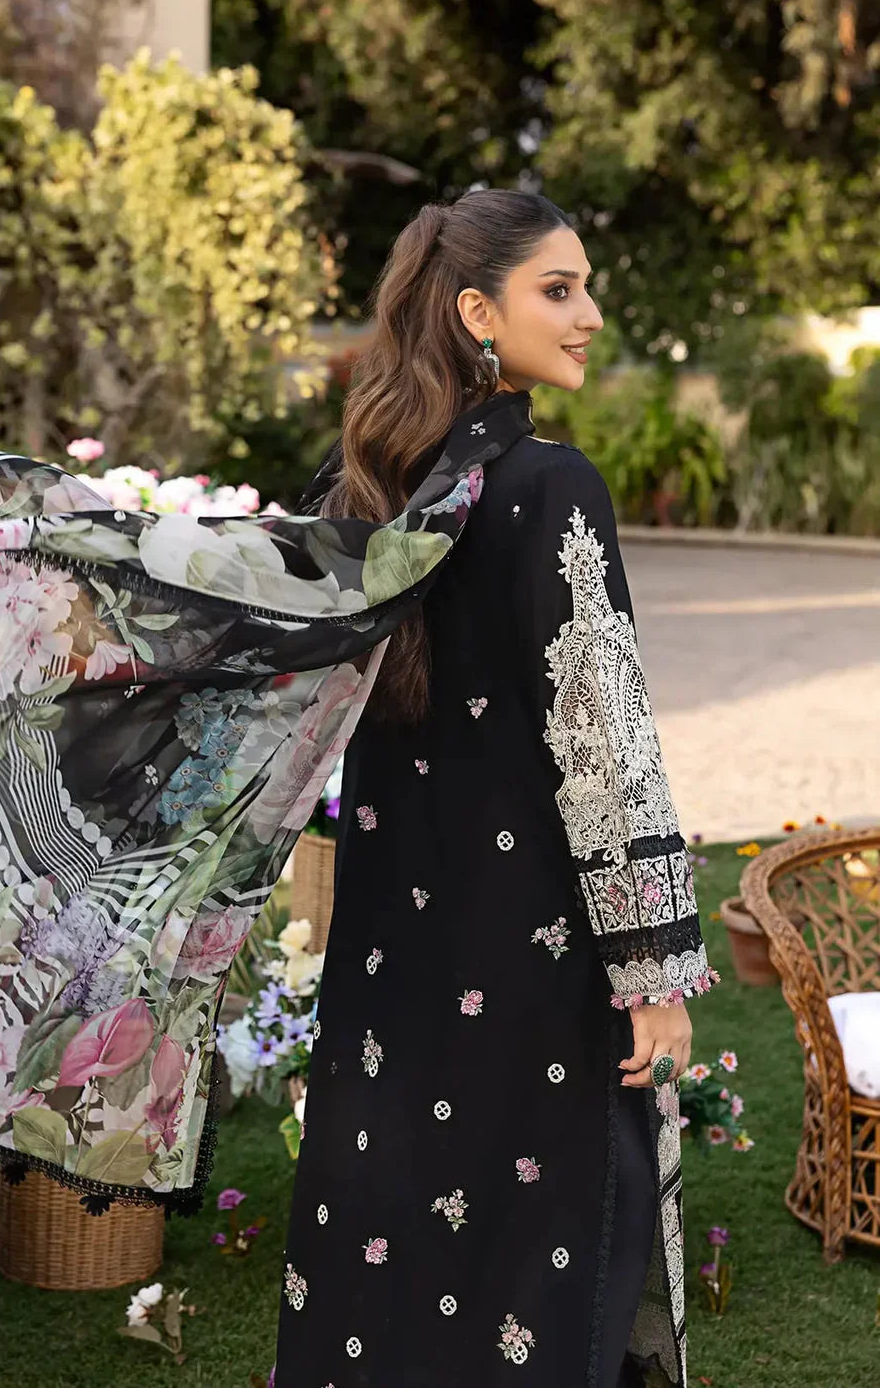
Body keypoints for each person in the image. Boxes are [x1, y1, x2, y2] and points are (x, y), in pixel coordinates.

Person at [272, 189, 719, 1388]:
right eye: (557, 290)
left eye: (586, 287)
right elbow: (605, 742)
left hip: (393, 957)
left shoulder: (365, 489)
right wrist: (653, 971)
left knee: (392, 1243)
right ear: (478, 312)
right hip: (535, 960)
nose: (590, 315)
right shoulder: (548, 486)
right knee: (539, 1260)